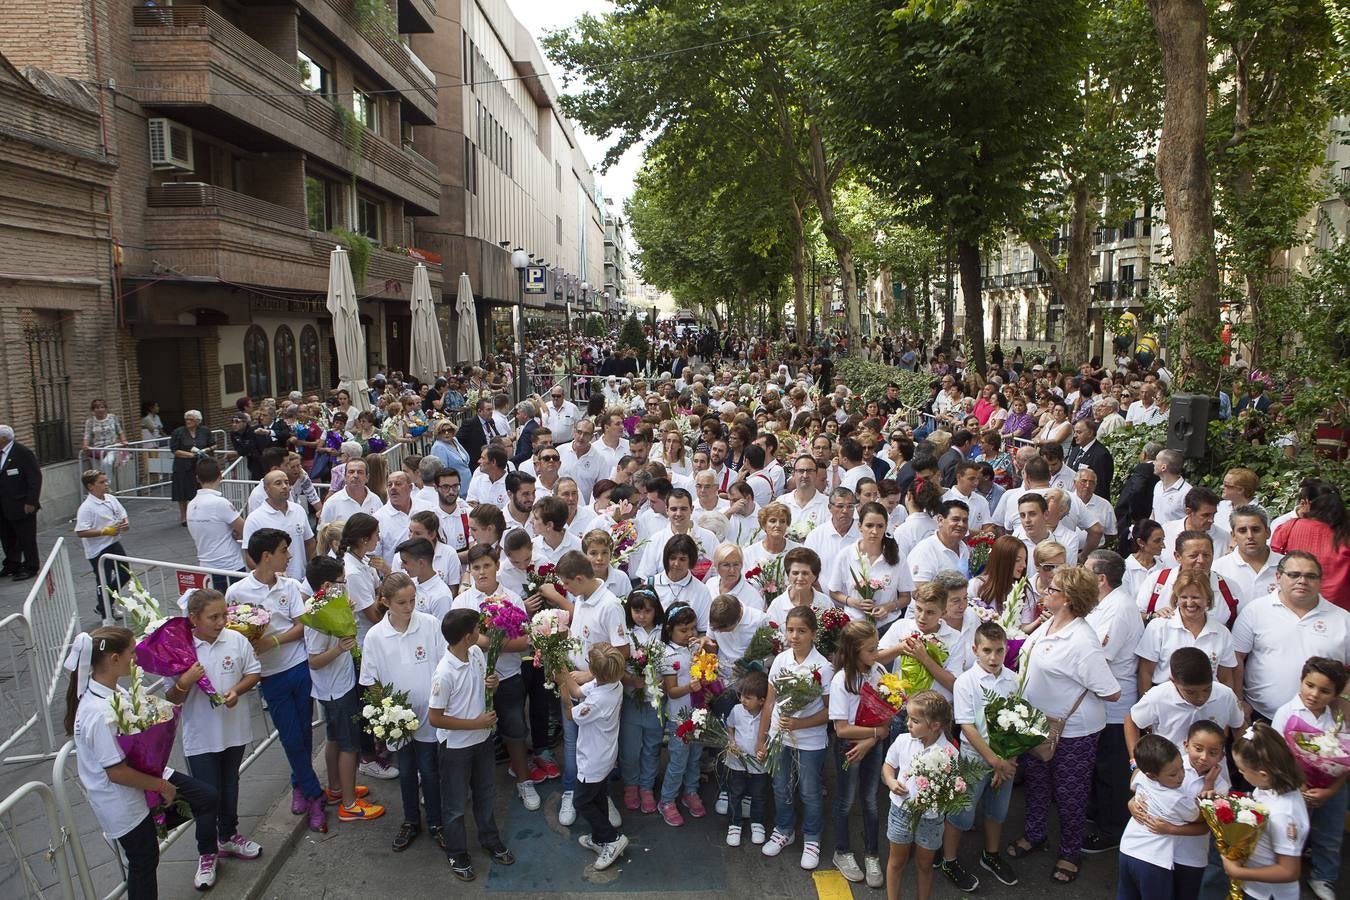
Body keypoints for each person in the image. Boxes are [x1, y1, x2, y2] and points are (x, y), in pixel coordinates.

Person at [63, 627, 219, 898]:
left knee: (206, 797)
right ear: (113, 659)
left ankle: (154, 821)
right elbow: (115, 772)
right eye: (132, 652)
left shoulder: (112, 690)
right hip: (122, 797)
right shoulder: (98, 712)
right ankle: (138, 833)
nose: (136, 657)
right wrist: (161, 785)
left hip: (142, 777)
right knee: (144, 862)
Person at [1007, 565, 1121, 884]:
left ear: (1069, 599)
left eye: (1052, 590)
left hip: (1073, 732)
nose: (1046, 592)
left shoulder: (1083, 641)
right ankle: (1035, 834)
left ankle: (1070, 852)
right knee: (1038, 784)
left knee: (1071, 794)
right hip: (1038, 724)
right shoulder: (1050, 623)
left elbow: (1111, 692)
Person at [227, 528, 327, 831]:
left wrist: (273, 641)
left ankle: (299, 785)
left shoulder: (289, 586)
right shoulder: (238, 591)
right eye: (285, 549)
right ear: (267, 555)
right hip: (269, 674)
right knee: (290, 735)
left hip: (298, 666)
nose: (290, 554)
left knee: (304, 733)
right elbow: (233, 631)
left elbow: (301, 626)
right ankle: (314, 794)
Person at [180, 589, 264, 884]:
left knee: (230, 785)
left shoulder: (236, 639)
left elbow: (253, 673)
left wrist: (236, 691)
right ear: (194, 619)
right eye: (212, 617)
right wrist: (184, 682)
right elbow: (171, 696)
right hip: (200, 737)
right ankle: (206, 852)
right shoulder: (182, 649)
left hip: (234, 731)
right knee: (205, 795)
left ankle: (229, 835)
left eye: (223, 615)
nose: (220, 622)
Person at [427, 608, 515, 881]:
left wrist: (494, 684)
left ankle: (490, 839)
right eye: (477, 630)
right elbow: (435, 718)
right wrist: (476, 723)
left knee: (486, 794)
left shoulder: (476, 654)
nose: (481, 634)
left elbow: (484, 691)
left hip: (482, 740)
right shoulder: (444, 673)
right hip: (456, 749)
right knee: (454, 805)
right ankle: (457, 852)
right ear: (467, 637)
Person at [360, 573, 444, 848]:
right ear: (385, 602)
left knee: (430, 770)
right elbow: (370, 680)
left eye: (412, 601)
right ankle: (410, 820)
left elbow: (444, 665)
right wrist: (387, 714)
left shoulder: (430, 624)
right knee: (406, 770)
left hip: (429, 714)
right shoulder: (375, 636)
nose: (409, 607)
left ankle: (436, 821)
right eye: (401, 602)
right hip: (398, 720)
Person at [452, 545, 537, 810]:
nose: (481, 572)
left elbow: (523, 641)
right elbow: (456, 644)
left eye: (486, 565)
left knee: (515, 729)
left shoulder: (511, 597)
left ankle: (524, 781)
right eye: (475, 567)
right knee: (475, 734)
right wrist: (484, 642)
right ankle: (470, 785)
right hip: (474, 681)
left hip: (509, 675)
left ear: (497, 565)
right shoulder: (462, 602)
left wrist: (487, 642)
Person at [552, 550, 629, 827]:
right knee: (572, 744)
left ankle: (601, 795)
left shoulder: (610, 605)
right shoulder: (581, 596)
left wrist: (587, 675)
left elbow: (622, 651)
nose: (566, 590)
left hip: (594, 688)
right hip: (574, 684)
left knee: (599, 748)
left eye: (568, 584)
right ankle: (572, 791)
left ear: (580, 577)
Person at [942, 622, 1020, 889]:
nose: (993, 658)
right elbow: (967, 726)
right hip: (975, 758)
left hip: (1005, 759)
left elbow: (1018, 723)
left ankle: (991, 854)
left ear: (1006, 650)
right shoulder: (966, 682)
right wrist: (995, 761)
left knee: (997, 811)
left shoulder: (1013, 680)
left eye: (999, 651)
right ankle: (949, 859)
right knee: (962, 812)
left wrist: (1008, 759)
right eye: (987, 650)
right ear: (975, 649)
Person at [1231, 551, 1350, 724]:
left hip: (1322, 722)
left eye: (1310, 576)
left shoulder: (1343, 619)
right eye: (1294, 575)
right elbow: (1236, 658)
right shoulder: (1255, 611)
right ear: (1278, 576)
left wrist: (1344, 701)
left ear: (1320, 581)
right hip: (1262, 717)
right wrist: (1239, 702)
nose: (1302, 581)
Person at [758, 605, 833, 869]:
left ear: (813, 633)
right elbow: (769, 703)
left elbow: (830, 712)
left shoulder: (823, 667)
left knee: (810, 792)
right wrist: (762, 738)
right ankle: (784, 830)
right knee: (780, 786)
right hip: (780, 738)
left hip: (810, 741)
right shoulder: (780, 660)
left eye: (801, 631)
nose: (795, 636)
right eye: (790, 630)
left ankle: (812, 837)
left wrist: (800, 723)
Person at [1269, 657, 1348, 900]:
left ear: (1335, 694)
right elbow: (1276, 755)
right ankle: (1281, 872)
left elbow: (1344, 758)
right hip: (1293, 788)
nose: (1314, 694)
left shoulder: (1337, 719)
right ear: (1301, 681)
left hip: (1331, 788)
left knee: (1330, 834)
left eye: (1325, 691)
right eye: (1309, 685)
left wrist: (1331, 791)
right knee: (1292, 832)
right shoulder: (1286, 713)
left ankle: (1324, 876)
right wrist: (1298, 784)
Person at [557, 644, 629, 871]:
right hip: (605, 754)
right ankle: (599, 837)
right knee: (597, 797)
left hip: (593, 759)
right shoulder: (611, 684)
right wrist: (561, 666)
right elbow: (578, 691)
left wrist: (560, 684)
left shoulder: (599, 699)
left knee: (582, 801)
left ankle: (612, 839)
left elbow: (570, 713)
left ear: (596, 671)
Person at [828, 620, 888, 888]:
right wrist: (873, 736)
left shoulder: (879, 671)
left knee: (871, 801)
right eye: (871, 650)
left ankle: (872, 854)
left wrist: (871, 741)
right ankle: (842, 852)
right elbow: (841, 729)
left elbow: (887, 721)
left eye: (876, 648)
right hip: (848, 747)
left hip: (870, 746)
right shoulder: (842, 680)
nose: (876, 655)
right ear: (854, 651)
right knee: (846, 800)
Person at [1219, 724, 1308, 900]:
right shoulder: (1266, 786)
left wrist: (1237, 871)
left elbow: (1288, 871)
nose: (1240, 773)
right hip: (1254, 888)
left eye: (1242, 770)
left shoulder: (1283, 813)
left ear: (1264, 774)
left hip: (1268, 894)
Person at [881, 690, 956, 900]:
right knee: (896, 861)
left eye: (915, 720)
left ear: (934, 725)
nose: (908, 724)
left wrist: (941, 795)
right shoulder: (904, 740)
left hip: (930, 818)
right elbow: (888, 766)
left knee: (924, 864)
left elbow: (953, 789)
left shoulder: (949, 752)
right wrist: (891, 781)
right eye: (908, 718)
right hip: (900, 811)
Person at [1114, 735, 1204, 900]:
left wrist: (1132, 802)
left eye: (1182, 768)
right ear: (1152, 775)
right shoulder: (1176, 800)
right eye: (1172, 774)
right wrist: (1210, 784)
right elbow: (1201, 817)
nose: (1180, 776)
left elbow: (1134, 777)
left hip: (1127, 850)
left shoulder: (1141, 777)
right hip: (1154, 861)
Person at [619, 588, 666, 815]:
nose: (642, 616)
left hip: (656, 700)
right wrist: (630, 680)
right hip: (631, 699)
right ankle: (631, 784)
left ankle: (647, 786)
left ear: (656, 611)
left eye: (648, 611)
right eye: (637, 610)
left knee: (652, 746)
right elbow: (617, 665)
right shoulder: (626, 633)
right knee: (629, 748)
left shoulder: (663, 633)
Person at [657, 602, 704, 826]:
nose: (689, 634)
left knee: (695, 757)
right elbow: (672, 692)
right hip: (679, 718)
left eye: (692, 629)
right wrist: (690, 687)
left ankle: (691, 792)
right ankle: (667, 800)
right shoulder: (668, 655)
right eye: (683, 630)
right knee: (678, 760)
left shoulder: (694, 648)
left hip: (698, 714)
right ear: (670, 630)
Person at [1269, 487, 1349, 610]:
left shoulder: (1289, 527)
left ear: (1307, 503)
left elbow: (1272, 559)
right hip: (1339, 606)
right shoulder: (1345, 533)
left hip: (1294, 602)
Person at [74, 469, 131, 618]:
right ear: (90, 486)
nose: (106, 484)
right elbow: (81, 531)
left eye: (106, 481)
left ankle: (104, 604)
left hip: (114, 543)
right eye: (101, 482)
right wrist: (104, 531)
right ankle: (106, 615)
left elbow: (123, 516)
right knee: (103, 581)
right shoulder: (86, 508)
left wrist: (125, 524)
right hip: (98, 549)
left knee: (125, 573)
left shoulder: (111, 499)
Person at [187, 458, 245, 591]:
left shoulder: (191, 504)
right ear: (220, 476)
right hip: (229, 566)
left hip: (205, 565)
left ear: (197, 478)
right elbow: (245, 528)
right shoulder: (220, 503)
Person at [0, 425, 42, 580]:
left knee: (26, 538)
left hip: (22, 504)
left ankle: (31, 566)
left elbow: (35, 478)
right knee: (7, 537)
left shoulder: (22, 453)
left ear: (4, 438)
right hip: (4, 505)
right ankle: (12, 564)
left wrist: (31, 501)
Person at [170, 410, 215, 526]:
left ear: (197, 421)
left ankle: (200, 514)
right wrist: (189, 455)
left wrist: (205, 450)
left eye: (190, 419)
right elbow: (174, 449)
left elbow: (214, 444)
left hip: (200, 465)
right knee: (182, 491)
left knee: (199, 490)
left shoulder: (205, 430)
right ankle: (184, 517)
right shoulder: (178, 432)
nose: (188, 421)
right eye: (186, 419)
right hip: (182, 466)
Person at [82, 398, 127, 477]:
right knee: (97, 472)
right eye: (97, 408)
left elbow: (120, 431)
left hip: (112, 447)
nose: (100, 410)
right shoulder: (90, 421)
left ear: (106, 408)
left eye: (102, 407)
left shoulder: (112, 417)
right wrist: (85, 445)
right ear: (93, 410)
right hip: (97, 450)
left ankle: (106, 485)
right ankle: (102, 488)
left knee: (107, 463)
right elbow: (87, 435)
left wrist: (124, 441)